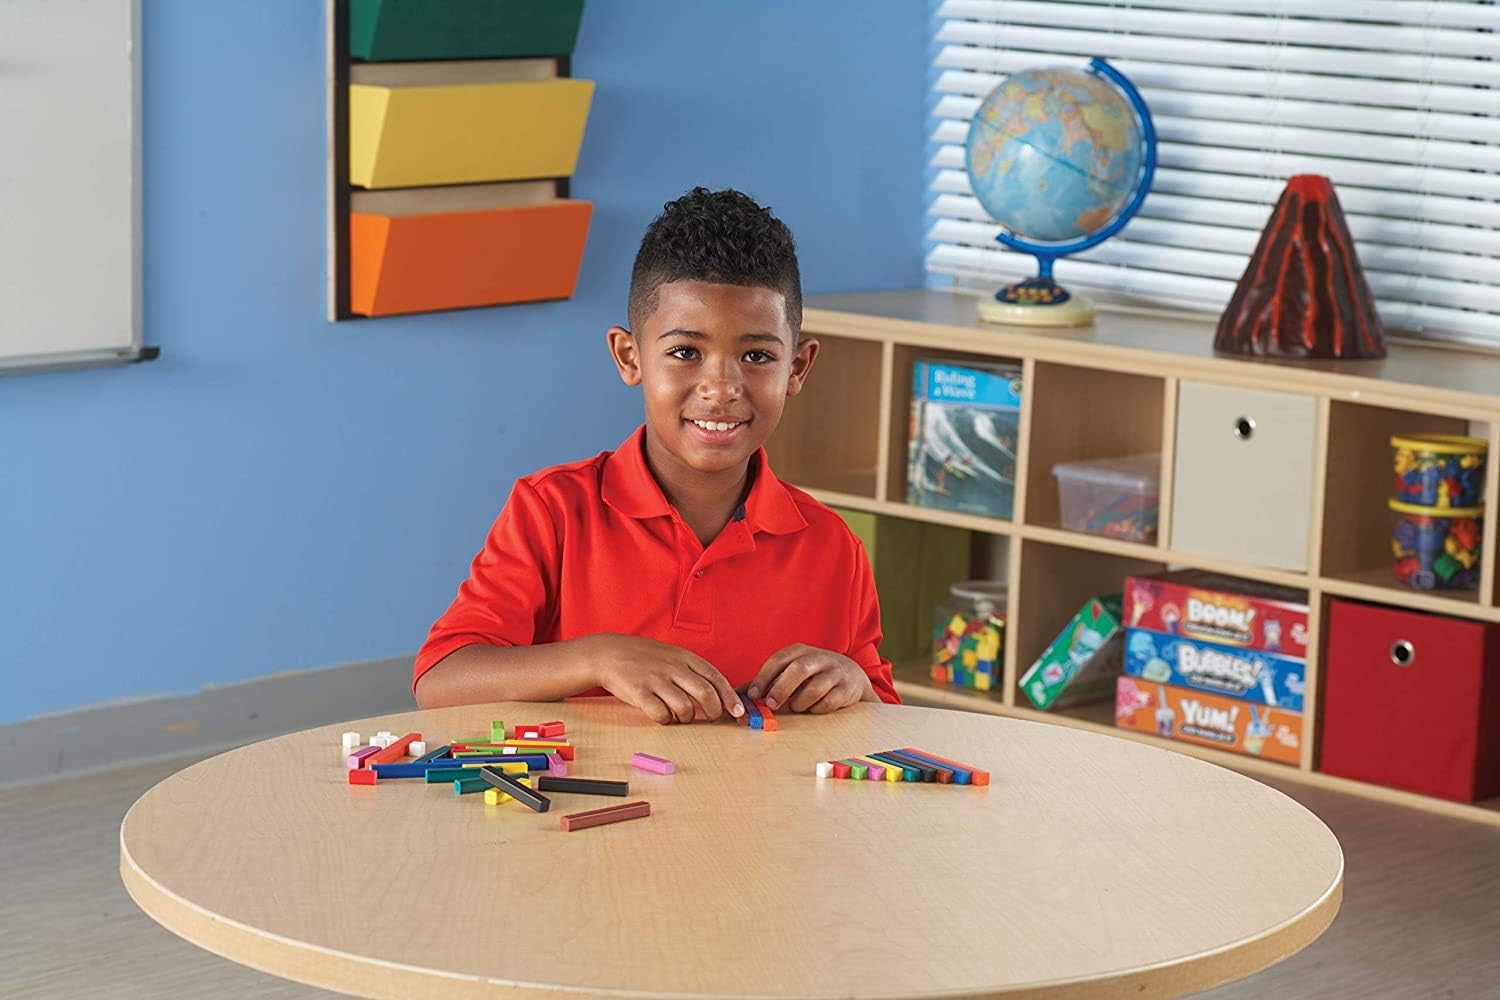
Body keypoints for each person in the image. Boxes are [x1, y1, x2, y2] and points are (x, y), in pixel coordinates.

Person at [413, 187, 899, 723]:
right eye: (685, 352)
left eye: (757, 355)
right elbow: (442, 678)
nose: (721, 387)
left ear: (798, 369)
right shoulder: (552, 510)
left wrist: (853, 682)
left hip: (765, 805)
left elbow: (881, 713)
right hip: (591, 802)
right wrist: (597, 657)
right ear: (630, 356)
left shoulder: (832, 545)